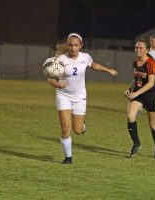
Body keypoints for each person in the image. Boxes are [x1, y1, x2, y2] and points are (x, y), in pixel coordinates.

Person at [47, 33, 118, 164]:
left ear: (81, 46)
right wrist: (57, 84)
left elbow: (94, 65)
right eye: (70, 45)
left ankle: (82, 126)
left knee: (78, 130)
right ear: (67, 45)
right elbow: (50, 79)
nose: (73, 48)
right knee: (65, 129)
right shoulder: (60, 59)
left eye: (75, 45)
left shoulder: (85, 57)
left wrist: (108, 70)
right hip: (63, 96)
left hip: (80, 97)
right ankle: (68, 158)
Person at [125, 39, 155, 158]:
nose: (137, 49)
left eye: (140, 48)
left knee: (153, 124)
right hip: (140, 94)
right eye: (136, 47)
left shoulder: (151, 63)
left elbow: (151, 83)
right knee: (130, 115)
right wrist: (130, 88)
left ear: (146, 50)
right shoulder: (135, 63)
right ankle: (136, 143)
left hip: (151, 95)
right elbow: (136, 79)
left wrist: (135, 94)